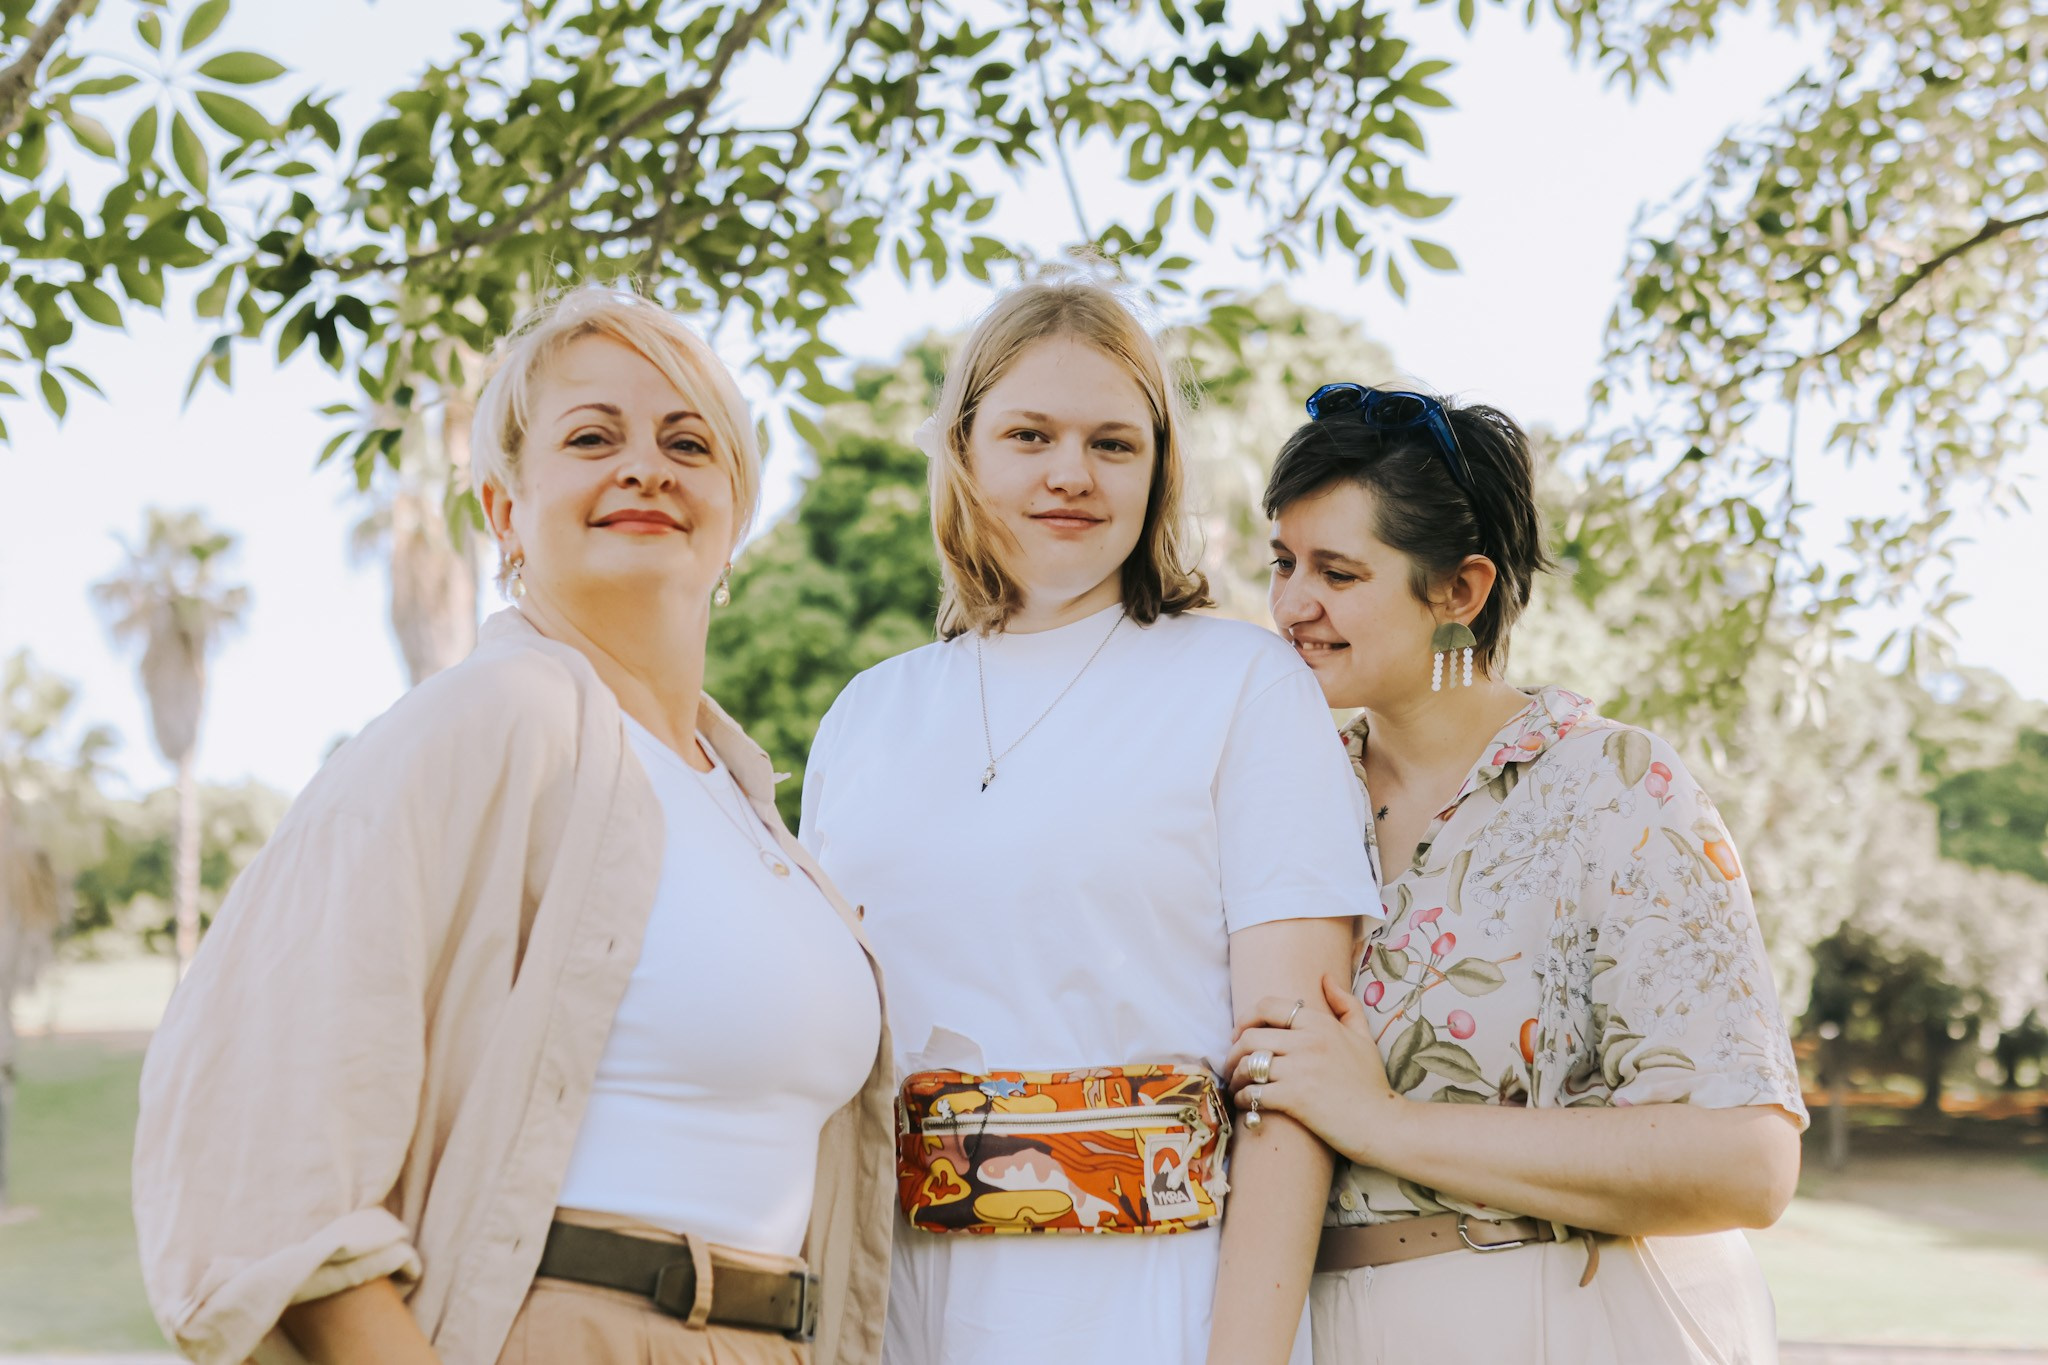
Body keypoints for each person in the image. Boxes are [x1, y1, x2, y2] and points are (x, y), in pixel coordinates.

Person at [131, 288, 895, 1365]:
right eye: (593, 438)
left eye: (688, 442)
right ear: (501, 510)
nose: (645, 467)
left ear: (735, 515)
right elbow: (266, 1126)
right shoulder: (493, 722)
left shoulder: (747, 803)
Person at [799, 279, 1380, 1365]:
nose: (1070, 473)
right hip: (892, 1298)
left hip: (1150, 1299)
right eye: (1029, 435)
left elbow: (1291, 1082)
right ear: (963, 448)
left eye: (1113, 443)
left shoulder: (1240, 682)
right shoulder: (867, 714)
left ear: (1158, 468)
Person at [1226, 383, 1807, 1364]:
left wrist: (1381, 1121)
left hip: (1564, 1323)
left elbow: (1744, 1164)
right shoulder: (1279, 795)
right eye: (1282, 563)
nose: (1290, 604)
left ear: (1457, 591)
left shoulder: (1612, 790)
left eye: (1337, 570)